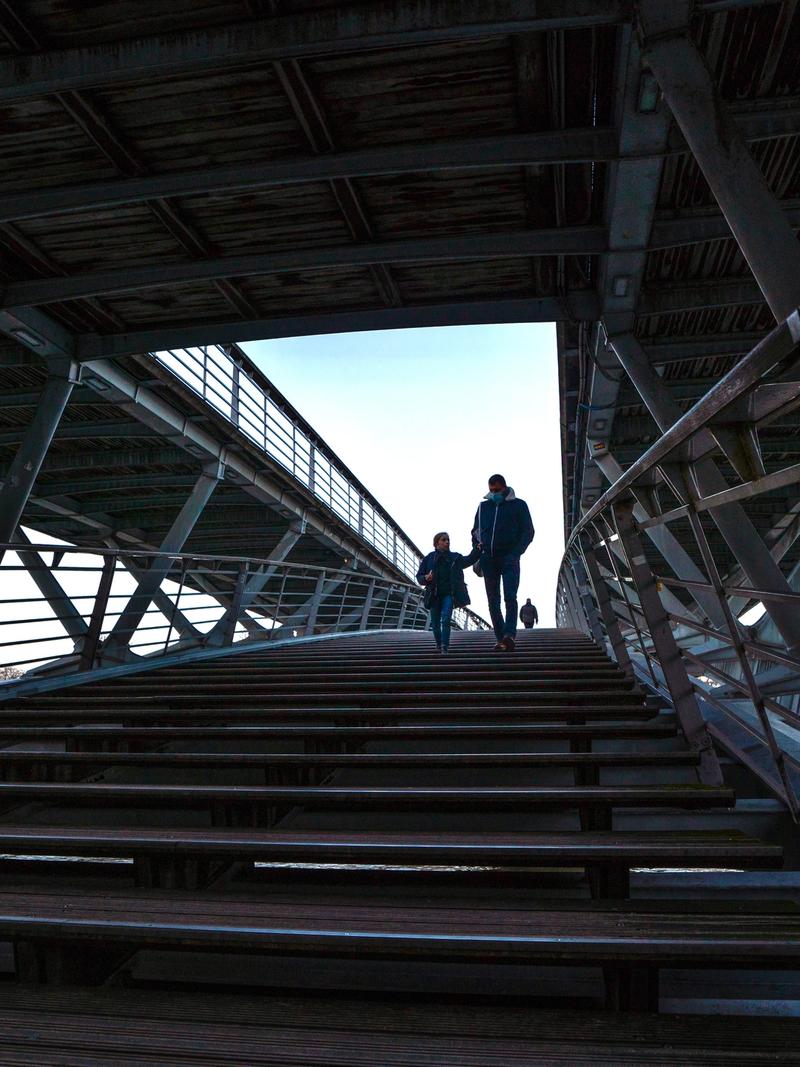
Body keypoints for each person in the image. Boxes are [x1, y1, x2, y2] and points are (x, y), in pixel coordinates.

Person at [472, 474, 534, 651]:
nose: (493, 493)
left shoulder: (519, 505)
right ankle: (501, 639)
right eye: (491, 491)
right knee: (493, 601)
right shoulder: (483, 507)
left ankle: (509, 635)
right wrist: (478, 548)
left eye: (497, 490)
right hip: (488, 559)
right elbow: (475, 531)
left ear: (505, 487)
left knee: (510, 598)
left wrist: (516, 553)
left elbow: (528, 531)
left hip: (509, 559)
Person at [416, 532, 480, 654]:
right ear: (436, 543)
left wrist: (477, 549)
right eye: (444, 540)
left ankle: (445, 646)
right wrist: (426, 578)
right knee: (435, 624)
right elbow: (419, 577)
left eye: (448, 540)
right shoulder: (429, 558)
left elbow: (469, 559)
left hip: (448, 595)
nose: (447, 542)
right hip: (434, 595)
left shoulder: (455, 558)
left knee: (445, 619)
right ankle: (439, 644)